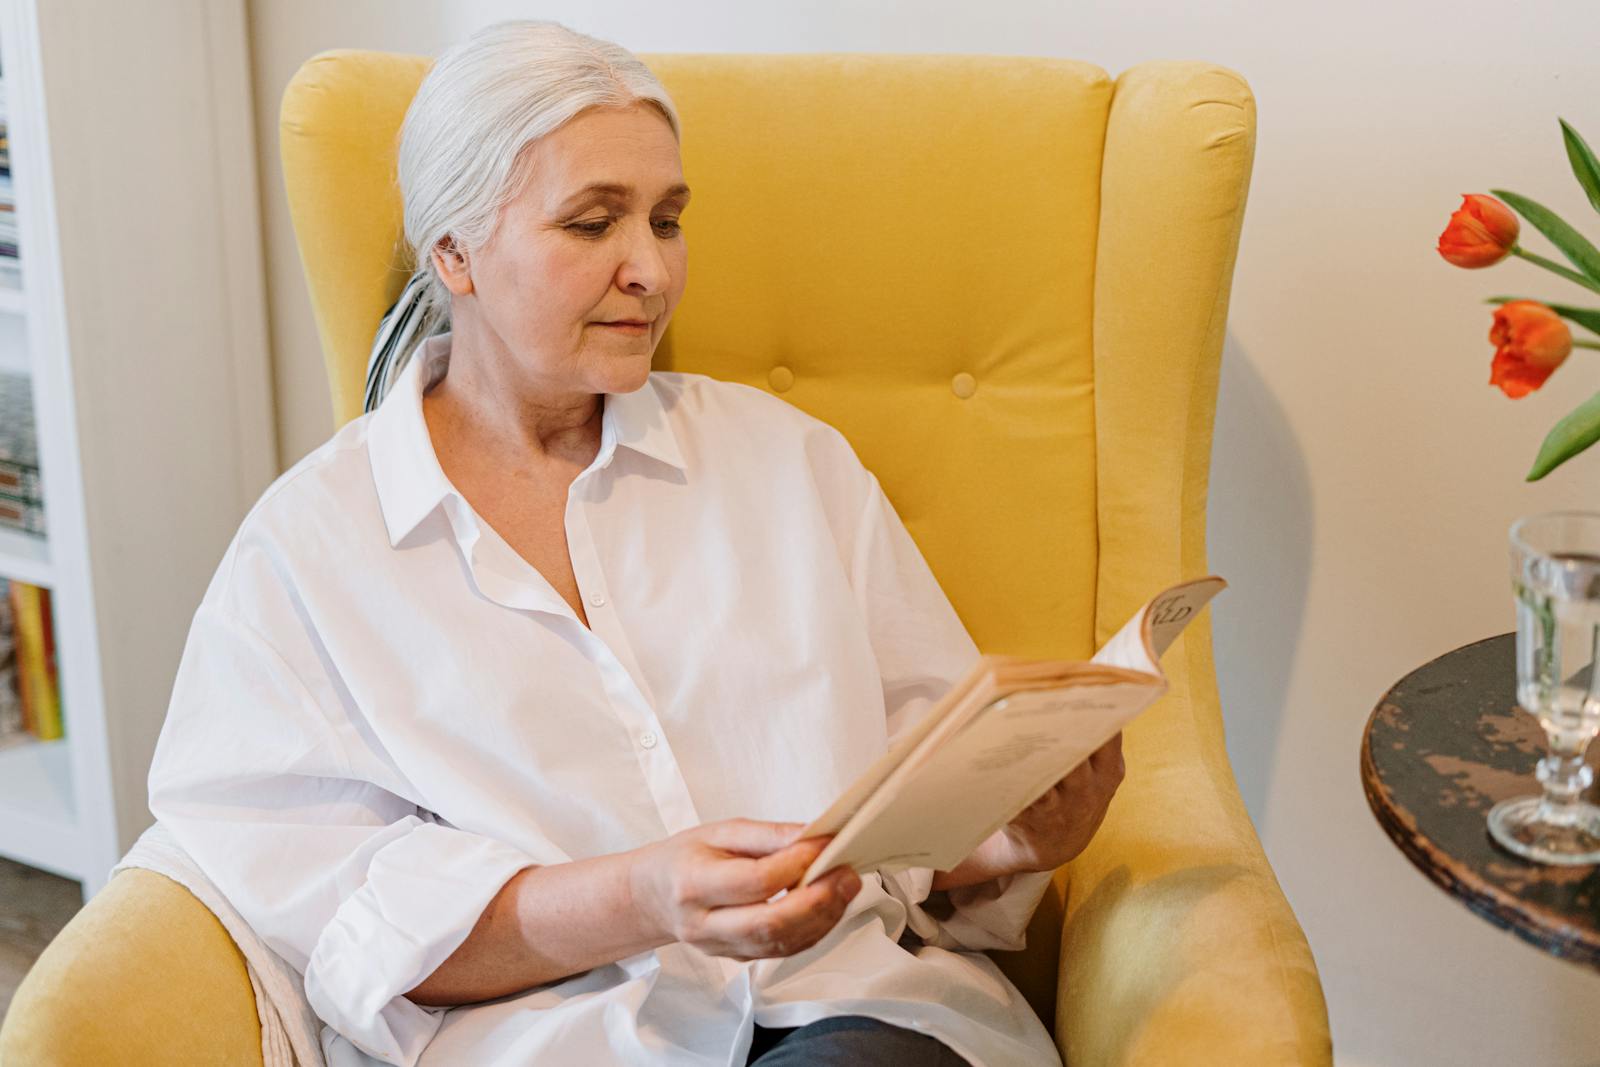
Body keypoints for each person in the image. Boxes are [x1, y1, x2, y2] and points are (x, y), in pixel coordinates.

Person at [147, 19, 1124, 1067]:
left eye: (666, 219)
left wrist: (1015, 839)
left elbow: (918, 797)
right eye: (591, 223)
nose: (650, 270)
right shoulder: (311, 549)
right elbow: (344, 923)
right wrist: (641, 895)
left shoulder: (789, 465)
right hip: (557, 1040)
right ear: (453, 252)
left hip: (852, 1016)